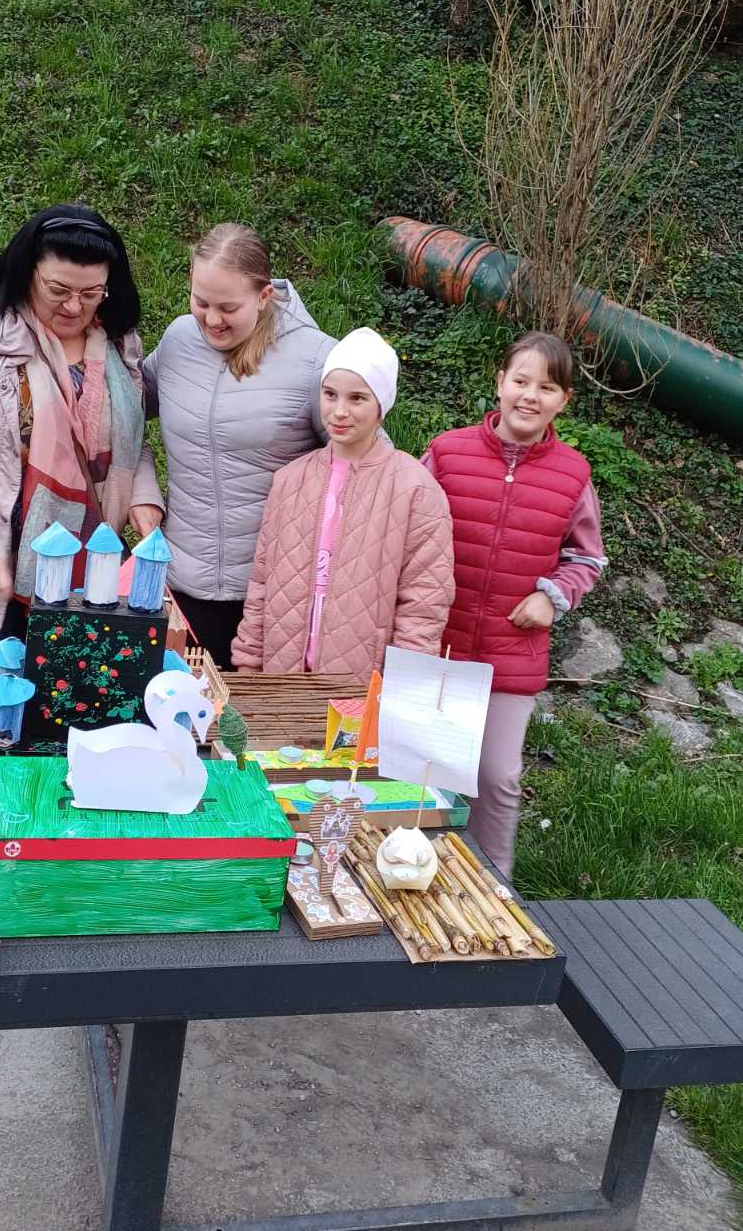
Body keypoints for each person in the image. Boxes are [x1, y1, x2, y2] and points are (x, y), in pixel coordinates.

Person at [0, 204, 162, 664]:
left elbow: (131, 437)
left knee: (73, 687)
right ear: (27, 273)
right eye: (58, 290)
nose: (74, 306)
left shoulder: (119, 341)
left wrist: (142, 497)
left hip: (88, 558)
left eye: (91, 293)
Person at [422, 331, 607, 878]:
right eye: (521, 381)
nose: (530, 395)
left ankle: (494, 885)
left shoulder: (573, 474)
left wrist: (553, 596)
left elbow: (587, 558)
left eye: (546, 387)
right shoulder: (447, 453)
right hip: (438, 645)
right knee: (428, 772)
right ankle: (417, 872)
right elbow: (404, 529)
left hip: (512, 654)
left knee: (497, 775)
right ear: (500, 382)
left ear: (564, 400)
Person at [143, 222, 336, 668]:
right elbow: (119, 419)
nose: (212, 319)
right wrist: (142, 491)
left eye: (228, 307)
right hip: (182, 584)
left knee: (256, 713)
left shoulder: (317, 359)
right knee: (181, 706)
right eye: (201, 302)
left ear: (265, 296)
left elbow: (366, 466)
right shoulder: (178, 341)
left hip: (275, 596)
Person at [230, 328, 455, 681]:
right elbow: (261, 583)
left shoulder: (416, 490)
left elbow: (423, 604)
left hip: (363, 686)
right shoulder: (290, 480)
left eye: (357, 398)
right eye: (330, 394)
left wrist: (404, 685)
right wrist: (249, 659)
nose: (339, 411)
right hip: (282, 679)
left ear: (381, 405)